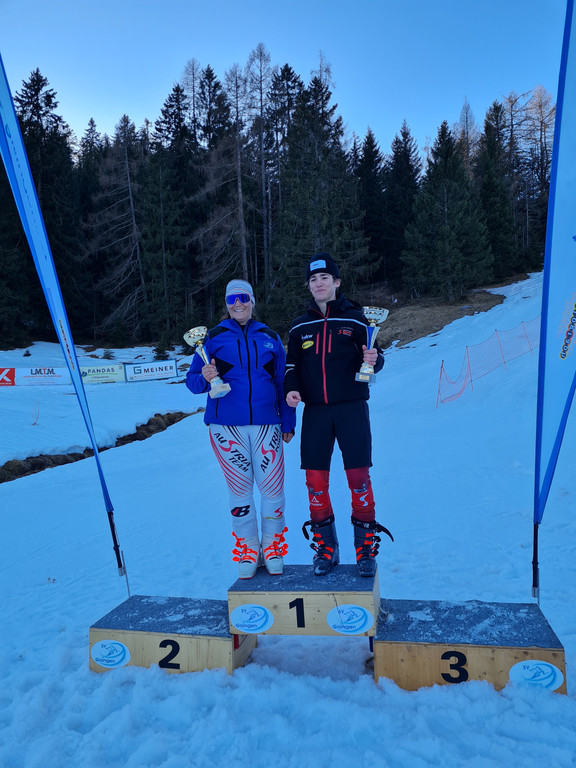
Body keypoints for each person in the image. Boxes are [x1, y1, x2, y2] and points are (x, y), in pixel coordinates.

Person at [284, 253, 393, 577]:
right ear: (309, 286)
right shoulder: (299, 326)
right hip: (316, 413)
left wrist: (374, 359)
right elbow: (292, 366)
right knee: (315, 482)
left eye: (325, 278)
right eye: (313, 279)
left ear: (336, 282)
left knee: (358, 479)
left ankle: (364, 549)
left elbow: (375, 358)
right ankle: (326, 549)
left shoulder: (358, 320)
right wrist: (292, 389)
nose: (319, 283)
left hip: (351, 409)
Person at [186, 279, 296, 579]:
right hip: (226, 427)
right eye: (232, 299)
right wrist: (204, 375)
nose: (238, 304)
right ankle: (248, 547)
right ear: (226, 304)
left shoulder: (270, 337)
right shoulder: (212, 338)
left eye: (243, 298)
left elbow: (281, 383)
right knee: (240, 490)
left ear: (252, 301)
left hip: (266, 425)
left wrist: (287, 421)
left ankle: (272, 545)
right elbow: (193, 382)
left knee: (273, 490)